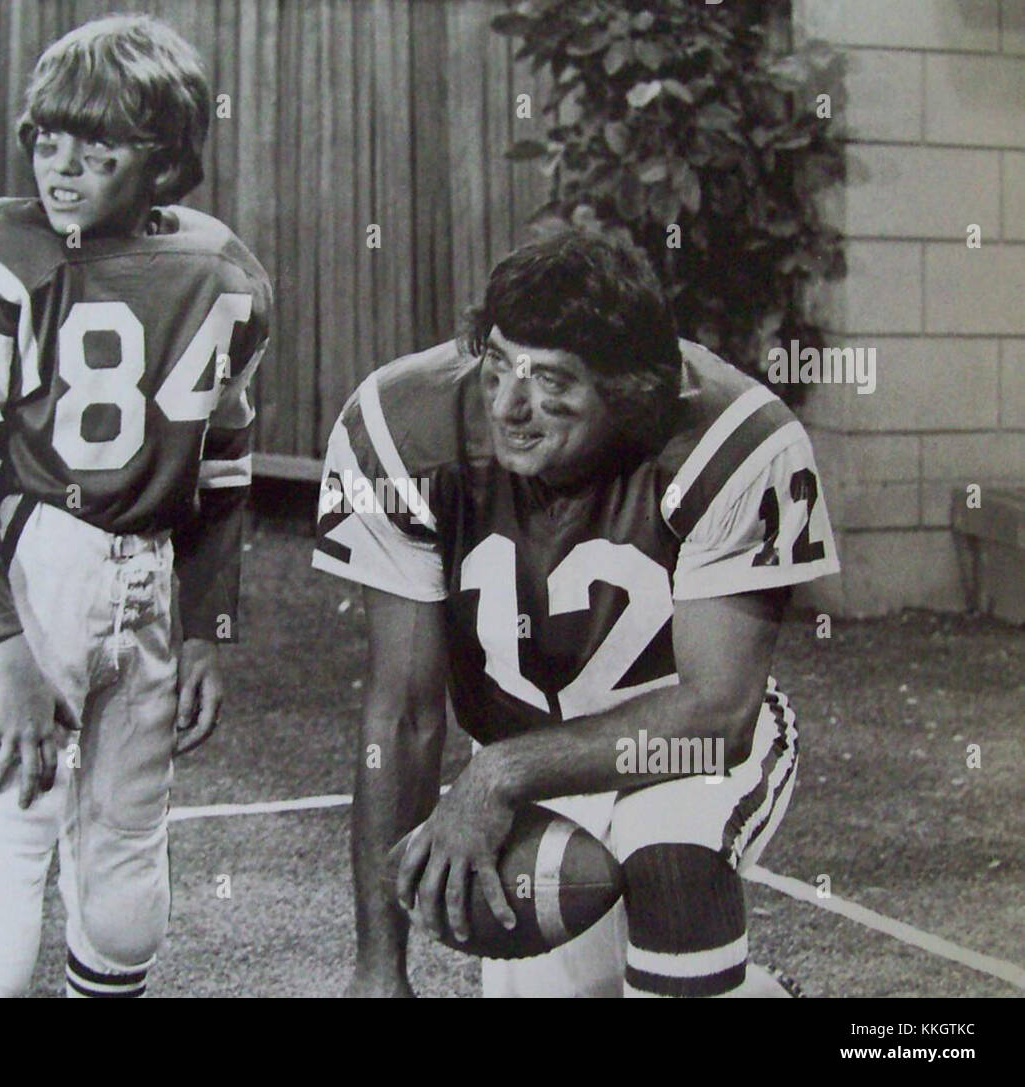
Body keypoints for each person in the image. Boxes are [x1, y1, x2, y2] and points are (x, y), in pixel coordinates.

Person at [313, 227, 838, 997]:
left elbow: (718, 711)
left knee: (672, 850)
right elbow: (402, 712)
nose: (510, 406)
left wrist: (498, 772)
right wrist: (377, 969)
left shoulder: (733, 442)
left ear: (631, 390)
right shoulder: (400, 432)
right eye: (496, 366)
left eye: (553, 381)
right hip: (533, 756)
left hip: (684, 747)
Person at [0, 14, 271, 997]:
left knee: (102, 868)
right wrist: (8, 651)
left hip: (112, 574)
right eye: (46, 137)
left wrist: (201, 627)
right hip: (55, 575)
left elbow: (221, 459)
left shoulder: (212, 269)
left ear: (163, 162)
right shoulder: (212, 264)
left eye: (97, 146)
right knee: (34, 862)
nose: (62, 165)